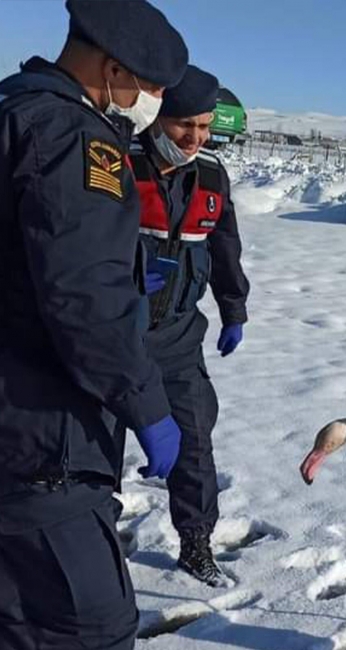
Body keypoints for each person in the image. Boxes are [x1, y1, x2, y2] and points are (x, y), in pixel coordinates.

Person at [0, 1, 188, 648]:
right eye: (154, 88)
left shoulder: (13, 109)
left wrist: (125, 271)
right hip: (41, 445)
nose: (156, 105)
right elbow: (85, 301)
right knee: (89, 628)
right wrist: (147, 404)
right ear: (113, 71)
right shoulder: (75, 139)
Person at [126, 64, 250, 586]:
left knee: (195, 441)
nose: (195, 138)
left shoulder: (214, 177)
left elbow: (225, 250)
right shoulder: (119, 164)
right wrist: (128, 268)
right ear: (158, 118)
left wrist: (234, 309)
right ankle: (95, 540)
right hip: (116, 335)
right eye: (184, 126)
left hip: (179, 337)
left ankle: (196, 545)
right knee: (95, 445)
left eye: (203, 127)